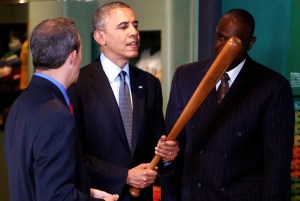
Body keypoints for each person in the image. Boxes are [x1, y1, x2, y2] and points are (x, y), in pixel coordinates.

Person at [161, 8, 295, 201]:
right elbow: (173, 147)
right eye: (221, 37)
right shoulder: (185, 77)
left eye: (235, 43)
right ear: (216, 32)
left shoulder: (272, 87)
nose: (224, 47)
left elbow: (277, 167)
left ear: (250, 43)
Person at [68, 2, 179, 201]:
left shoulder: (150, 84)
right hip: (99, 196)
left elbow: (157, 146)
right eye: (123, 26)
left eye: (135, 25)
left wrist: (168, 156)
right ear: (99, 37)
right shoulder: (78, 85)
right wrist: (125, 176)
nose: (134, 32)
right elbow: (73, 155)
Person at [4, 17, 119, 201]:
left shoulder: (20, 104)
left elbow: (38, 182)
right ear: (73, 56)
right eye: (80, 52)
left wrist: (87, 192)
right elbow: (57, 196)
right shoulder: (57, 116)